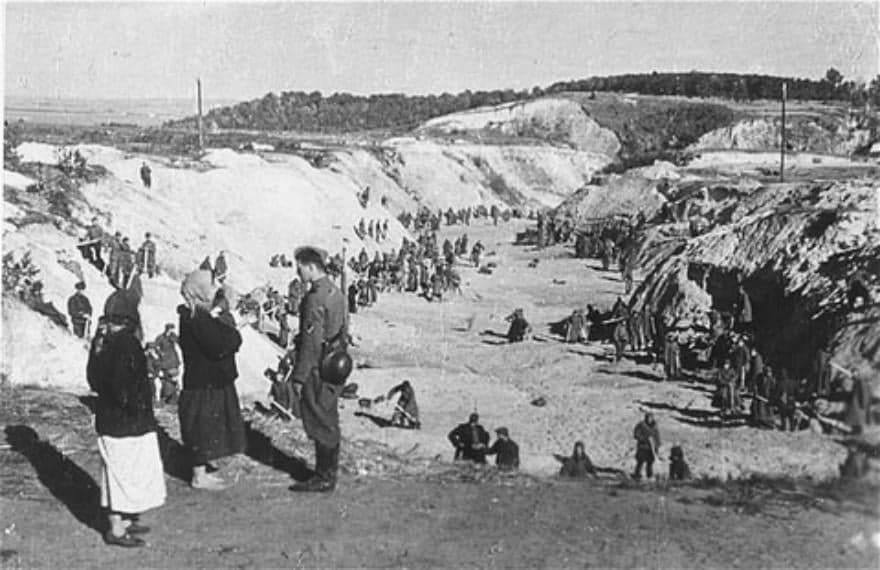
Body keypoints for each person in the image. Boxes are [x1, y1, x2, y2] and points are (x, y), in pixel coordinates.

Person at [86, 286, 165, 547]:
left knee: (117, 472)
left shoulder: (101, 341)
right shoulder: (128, 344)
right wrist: (140, 409)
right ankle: (116, 530)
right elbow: (126, 389)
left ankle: (123, 520)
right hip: (128, 422)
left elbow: (94, 380)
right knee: (125, 474)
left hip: (110, 420)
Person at [177, 270, 246, 491]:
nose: (215, 290)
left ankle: (201, 471)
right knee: (202, 428)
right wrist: (234, 334)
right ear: (200, 290)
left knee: (206, 428)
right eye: (210, 286)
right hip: (202, 383)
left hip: (205, 381)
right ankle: (198, 476)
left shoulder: (197, 314)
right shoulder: (197, 318)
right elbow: (219, 344)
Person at [290, 246, 347, 493]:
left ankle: (324, 477)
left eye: (300, 267)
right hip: (335, 365)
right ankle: (328, 473)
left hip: (317, 368)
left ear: (312, 267)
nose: (298, 272)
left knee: (319, 419)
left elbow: (311, 343)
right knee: (329, 417)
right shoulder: (335, 292)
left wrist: (299, 376)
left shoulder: (315, 298)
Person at [154, 323, 181, 405]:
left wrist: (172, 338)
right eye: (171, 329)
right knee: (167, 378)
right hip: (165, 361)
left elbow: (179, 342)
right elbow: (156, 346)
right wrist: (161, 353)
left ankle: (173, 397)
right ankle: (167, 396)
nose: (172, 330)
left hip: (173, 359)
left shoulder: (173, 336)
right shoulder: (161, 337)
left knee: (174, 377)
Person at [632, 412, 660, 480]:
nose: (649, 419)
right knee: (640, 461)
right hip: (643, 447)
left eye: (650, 418)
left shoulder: (655, 426)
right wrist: (644, 439)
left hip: (651, 448)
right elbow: (636, 434)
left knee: (650, 462)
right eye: (648, 418)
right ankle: (637, 475)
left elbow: (657, 436)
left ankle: (649, 475)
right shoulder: (641, 425)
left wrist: (657, 445)